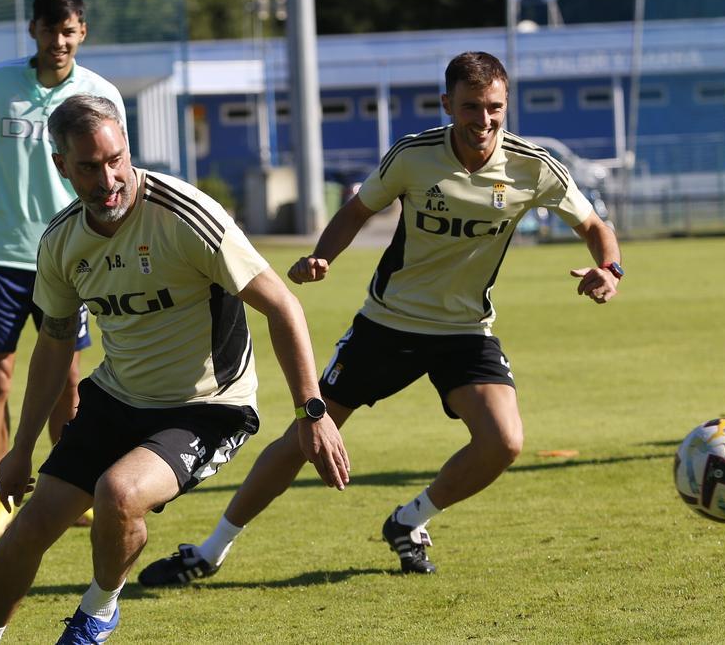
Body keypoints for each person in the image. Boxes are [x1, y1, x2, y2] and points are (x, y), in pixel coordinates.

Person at [139, 51, 622, 584]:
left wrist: (611, 268)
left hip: (465, 332)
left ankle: (409, 521)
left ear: (506, 106)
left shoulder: (532, 167)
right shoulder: (413, 156)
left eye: (493, 108)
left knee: (504, 442)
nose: (482, 120)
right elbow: (357, 211)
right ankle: (209, 551)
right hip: (387, 326)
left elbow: (595, 224)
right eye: (470, 107)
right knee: (307, 436)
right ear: (447, 105)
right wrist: (324, 256)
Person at [0, 95, 349, 645]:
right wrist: (21, 448)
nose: (109, 178)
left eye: (116, 159)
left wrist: (312, 411)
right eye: (90, 168)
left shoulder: (185, 215)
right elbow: (53, 348)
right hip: (118, 398)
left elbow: (284, 307)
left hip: (208, 406)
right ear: (61, 167)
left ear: (127, 146)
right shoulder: (62, 242)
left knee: (118, 494)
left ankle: (97, 612)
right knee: (30, 528)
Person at [0, 0, 126, 535]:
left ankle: (67, 489)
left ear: (82, 32)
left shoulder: (100, 93)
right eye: (50, 31)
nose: (59, 42)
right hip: (0, 256)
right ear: (33, 31)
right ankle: (1, 496)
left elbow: (118, 170)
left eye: (69, 31)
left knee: (68, 381)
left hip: (70, 257)